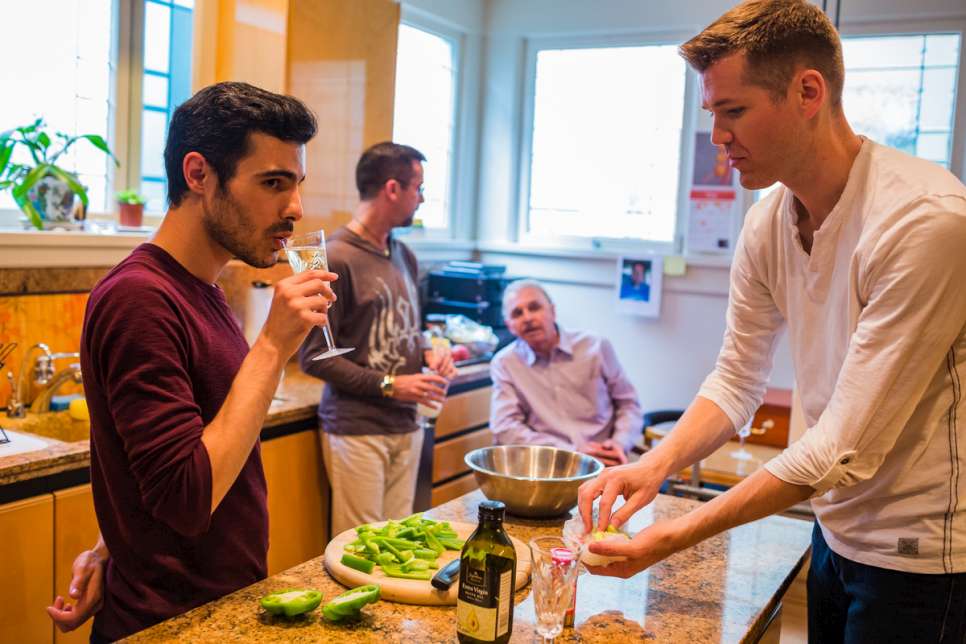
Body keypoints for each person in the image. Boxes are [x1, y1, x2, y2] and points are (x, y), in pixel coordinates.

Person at [578, 1, 966, 641]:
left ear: (807, 91)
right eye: (712, 115)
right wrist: (656, 465)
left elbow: (843, 446)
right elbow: (735, 378)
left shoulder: (924, 221)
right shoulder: (768, 220)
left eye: (734, 112)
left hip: (924, 554)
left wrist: (679, 532)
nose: (717, 138)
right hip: (835, 531)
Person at [46, 82, 335, 641]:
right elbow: (185, 497)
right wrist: (273, 347)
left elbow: (150, 470)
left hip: (210, 609)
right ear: (199, 175)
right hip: (169, 624)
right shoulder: (139, 299)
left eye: (296, 184)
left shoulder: (200, 288)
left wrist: (112, 547)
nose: (295, 208)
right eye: (273, 183)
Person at [299, 142, 456, 536]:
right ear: (391, 188)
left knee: (399, 544)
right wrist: (390, 385)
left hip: (406, 423)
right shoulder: (332, 258)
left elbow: (408, 327)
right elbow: (314, 357)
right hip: (358, 430)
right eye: (417, 188)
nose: (421, 199)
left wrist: (431, 352)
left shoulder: (403, 254)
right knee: (361, 553)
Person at [490, 279, 643, 466]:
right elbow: (505, 428)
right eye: (517, 313)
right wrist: (571, 454)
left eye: (534, 307)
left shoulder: (595, 346)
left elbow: (629, 404)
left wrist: (619, 442)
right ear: (510, 325)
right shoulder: (505, 363)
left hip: (606, 460)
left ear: (552, 311)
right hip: (546, 466)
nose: (527, 318)